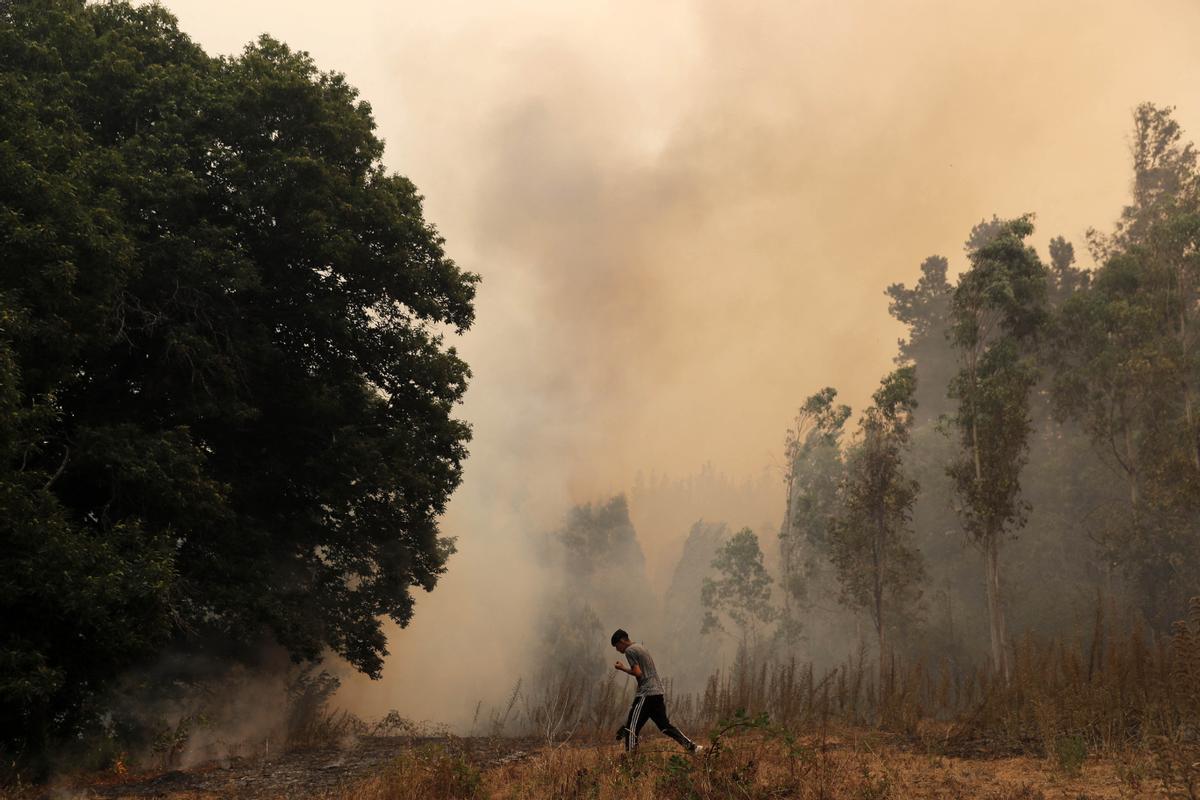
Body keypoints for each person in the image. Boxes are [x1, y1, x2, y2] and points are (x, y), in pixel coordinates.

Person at [610, 629, 701, 753]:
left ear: (621, 641)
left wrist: (622, 668)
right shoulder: (640, 647)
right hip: (657, 692)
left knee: (631, 728)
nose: (617, 650)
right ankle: (692, 748)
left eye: (616, 646)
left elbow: (638, 673)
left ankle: (631, 761)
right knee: (665, 726)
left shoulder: (629, 650)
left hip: (646, 694)